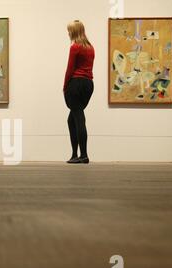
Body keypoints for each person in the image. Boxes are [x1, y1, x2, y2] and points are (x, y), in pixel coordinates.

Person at [63, 20, 95, 164]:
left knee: (79, 117)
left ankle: (83, 155)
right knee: (72, 119)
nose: (68, 33)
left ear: (75, 32)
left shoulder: (75, 47)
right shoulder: (90, 47)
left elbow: (70, 69)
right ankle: (75, 154)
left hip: (76, 83)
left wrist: (65, 86)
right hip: (88, 84)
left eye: (69, 30)